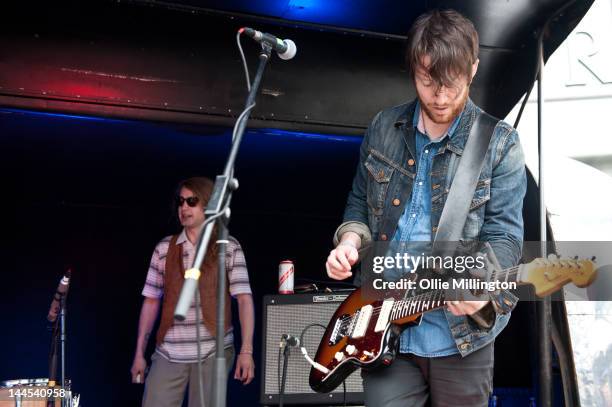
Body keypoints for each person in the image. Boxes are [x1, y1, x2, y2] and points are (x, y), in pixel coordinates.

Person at [325, 9, 526, 407]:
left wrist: (481, 287)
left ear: (473, 68)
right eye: (427, 80)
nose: (439, 96)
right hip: (381, 327)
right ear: (413, 69)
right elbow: (358, 204)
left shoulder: (500, 144)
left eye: (450, 83)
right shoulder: (383, 127)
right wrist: (349, 241)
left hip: (459, 334)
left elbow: (504, 237)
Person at [130, 177, 255, 407]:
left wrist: (246, 351)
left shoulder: (228, 247)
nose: (184, 207)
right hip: (169, 352)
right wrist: (139, 353)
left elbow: (244, 300)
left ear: (208, 205)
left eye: (191, 201)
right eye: (180, 202)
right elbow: (150, 302)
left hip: (212, 351)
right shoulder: (164, 249)